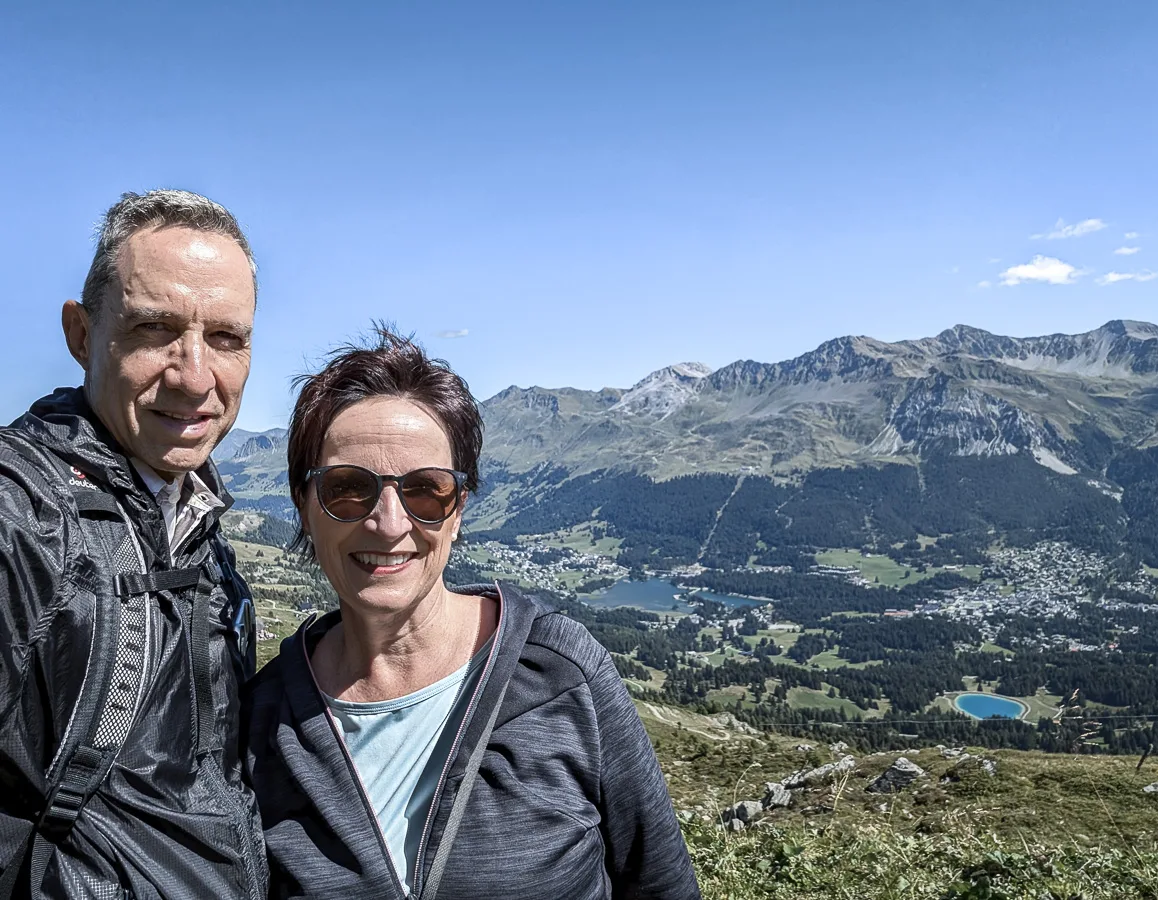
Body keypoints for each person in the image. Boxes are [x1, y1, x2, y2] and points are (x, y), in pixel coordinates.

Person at [244, 329, 699, 899]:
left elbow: (661, 885)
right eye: (349, 489)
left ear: (458, 510)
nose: (389, 523)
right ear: (304, 507)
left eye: (426, 491)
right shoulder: (261, 723)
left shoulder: (560, 672)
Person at [0, 190, 267, 898]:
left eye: (227, 339)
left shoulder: (190, 522)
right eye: (155, 330)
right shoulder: (19, 518)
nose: (196, 376)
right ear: (81, 334)